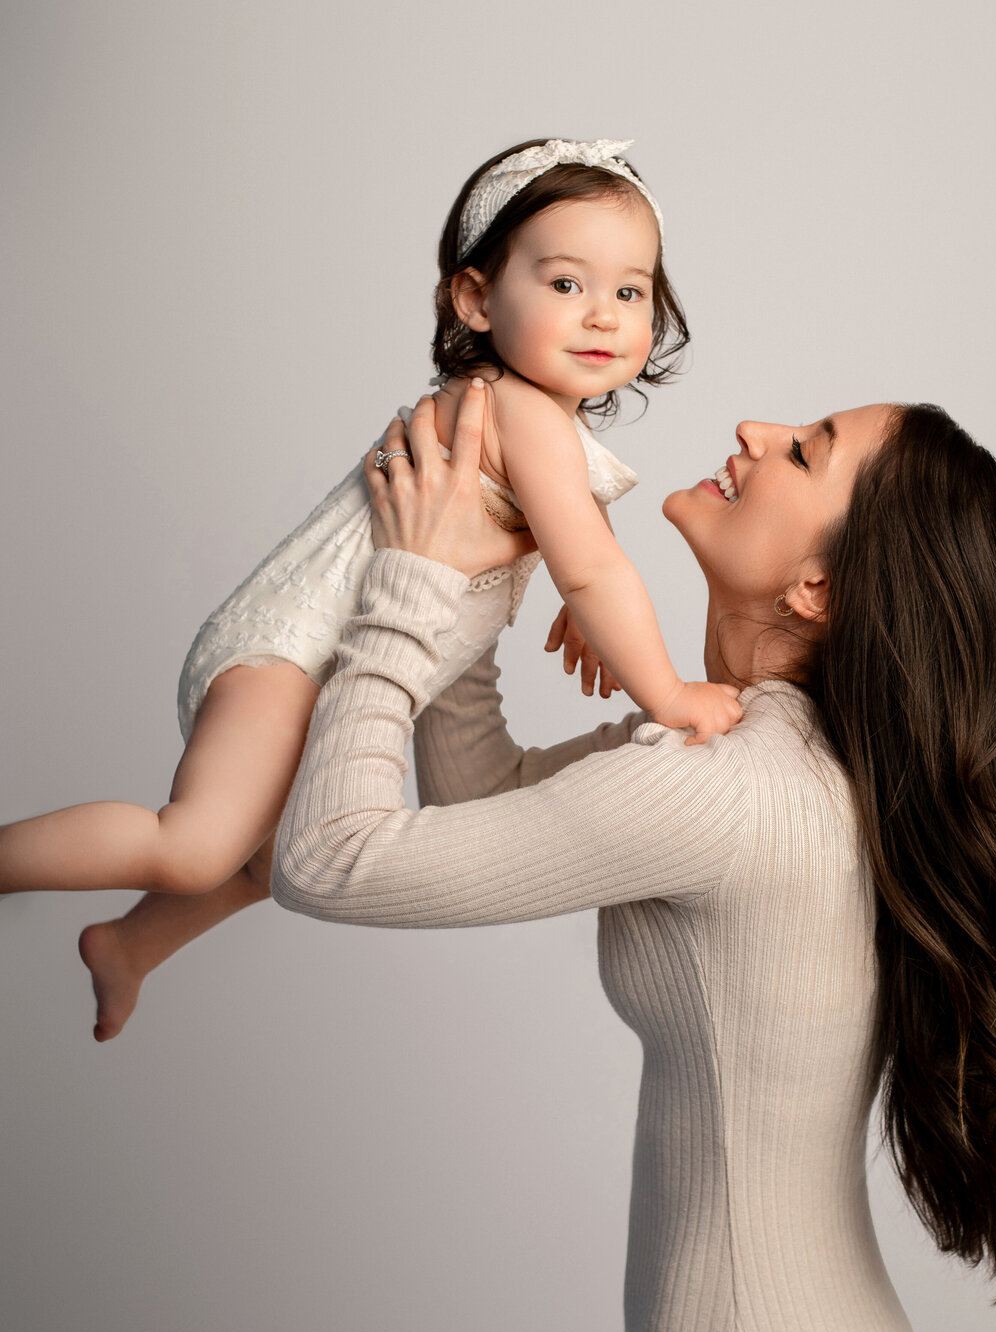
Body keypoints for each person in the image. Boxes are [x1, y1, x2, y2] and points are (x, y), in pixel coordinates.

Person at [271, 382, 996, 1332]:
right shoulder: (756, 752)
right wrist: (488, 564)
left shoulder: (728, 789)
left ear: (818, 587)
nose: (752, 430)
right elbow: (481, 799)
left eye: (804, 449)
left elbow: (328, 858)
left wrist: (413, 583)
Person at [0, 136, 740, 1040]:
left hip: (318, 661)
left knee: (263, 857)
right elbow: (589, 562)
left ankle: (127, 945)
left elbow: (578, 540)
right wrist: (663, 688)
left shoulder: (536, 418)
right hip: (291, 651)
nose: (602, 316)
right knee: (195, 844)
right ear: (475, 298)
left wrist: (580, 602)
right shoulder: (513, 409)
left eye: (629, 292)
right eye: (564, 284)